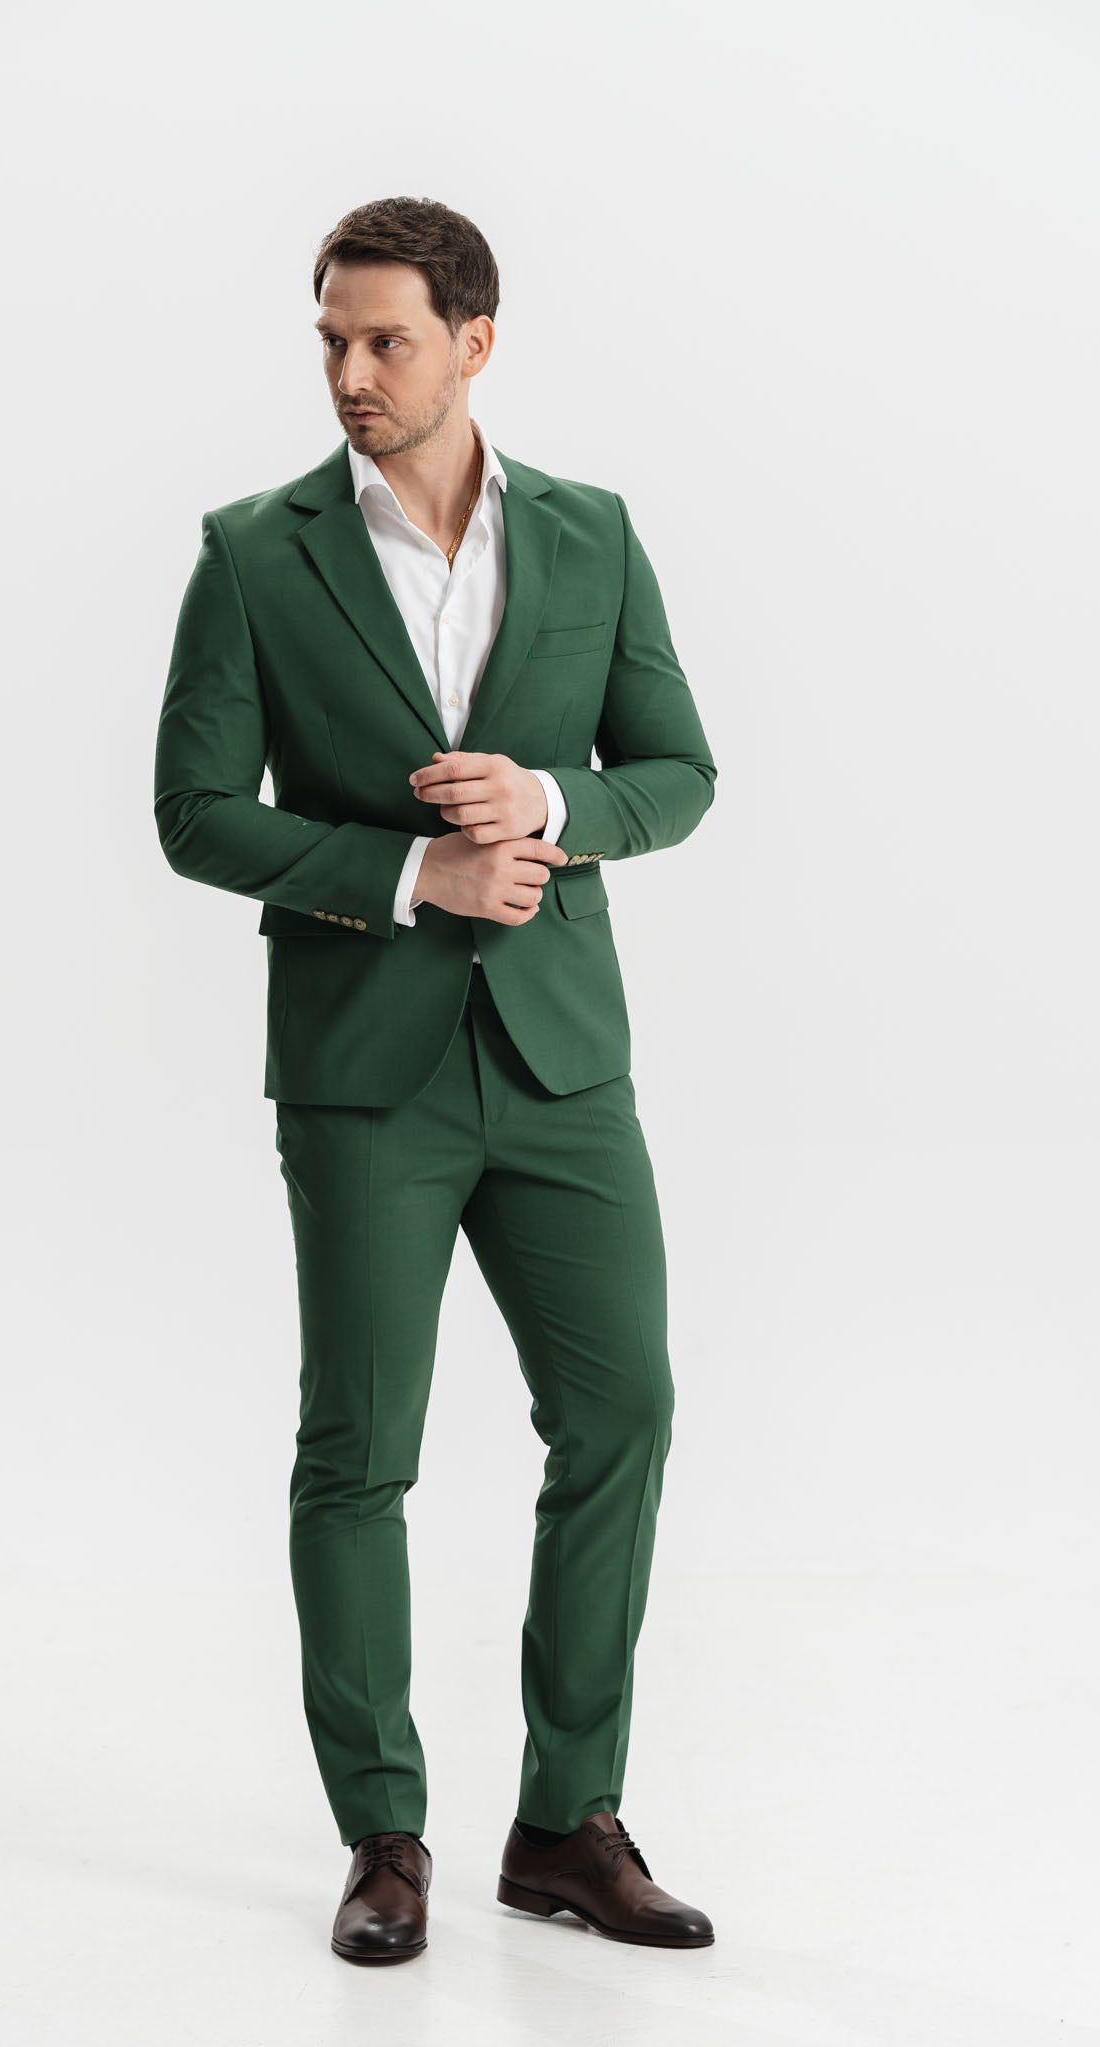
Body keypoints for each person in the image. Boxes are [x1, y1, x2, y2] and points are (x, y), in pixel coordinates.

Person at [154, 194, 719, 1964]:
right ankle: (382, 1836)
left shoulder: (591, 533)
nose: (350, 370)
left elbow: (678, 771)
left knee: (620, 1415)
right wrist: (411, 873)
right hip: (363, 1075)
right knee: (359, 1453)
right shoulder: (253, 552)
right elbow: (194, 814)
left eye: (385, 338)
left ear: (473, 342)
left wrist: (548, 803)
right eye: (331, 336)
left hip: (560, 1064)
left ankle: (566, 1822)